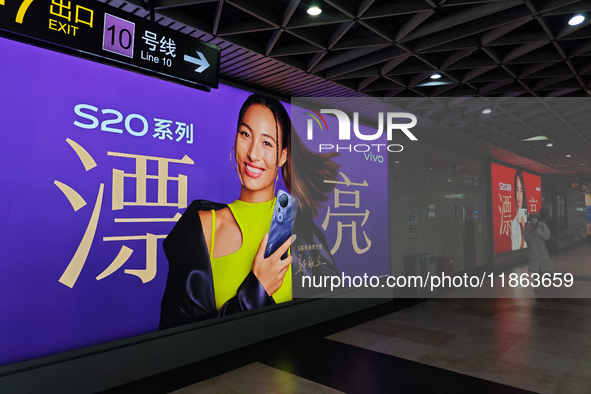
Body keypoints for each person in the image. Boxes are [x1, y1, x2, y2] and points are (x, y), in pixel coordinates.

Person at [159, 94, 340, 329]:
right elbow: (178, 338)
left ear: (282, 155)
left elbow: (329, 315)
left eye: (267, 143)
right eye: (245, 134)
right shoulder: (203, 226)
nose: (253, 153)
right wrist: (257, 289)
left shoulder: (299, 229)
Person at [523, 212, 552, 290]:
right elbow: (526, 238)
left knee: (542, 267)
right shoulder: (528, 227)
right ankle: (537, 281)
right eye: (531, 217)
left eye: (534, 217)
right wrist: (531, 233)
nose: (533, 219)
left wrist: (537, 232)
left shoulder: (542, 225)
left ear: (537, 218)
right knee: (534, 268)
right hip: (532, 250)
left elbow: (547, 236)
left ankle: (541, 279)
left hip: (542, 249)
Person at [511, 170, 527, 250]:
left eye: (521, 191)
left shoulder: (528, 218)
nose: (519, 197)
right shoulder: (514, 223)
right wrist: (523, 229)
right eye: (517, 191)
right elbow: (519, 250)